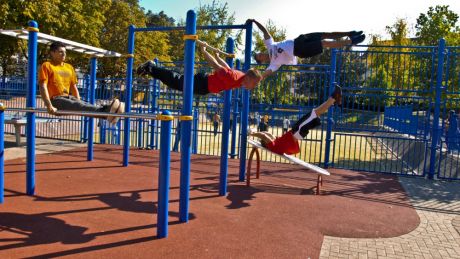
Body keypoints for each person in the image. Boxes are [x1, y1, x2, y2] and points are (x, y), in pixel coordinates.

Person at [38, 41, 124, 124]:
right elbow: (43, 86)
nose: (64, 54)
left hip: (68, 97)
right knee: (79, 105)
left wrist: (78, 100)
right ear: (52, 53)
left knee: (83, 104)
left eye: (65, 52)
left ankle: (107, 112)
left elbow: (73, 86)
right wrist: (49, 105)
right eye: (60, 52)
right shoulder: (47, 66)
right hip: (56, 100)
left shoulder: (69, 67)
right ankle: (106, 112)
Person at [248, 19, 365, 79]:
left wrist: (254, 21)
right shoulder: (273, 64)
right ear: (262, 61)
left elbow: (265, 31)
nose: (262, 54)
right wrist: (255, 79)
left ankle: (351, 33)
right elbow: (265, 74)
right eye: (260, 57)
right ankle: (352, 41)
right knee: (324, 43)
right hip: (299, 51)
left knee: (325, 34)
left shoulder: (270, 45)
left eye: (260, 53)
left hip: (299, 40)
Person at [136, 41, 263, 95]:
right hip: (203, 84)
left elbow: (226, 66)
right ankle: (150, 67)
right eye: (255, 83)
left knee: (177, 81)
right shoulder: (233, 78)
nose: (254, 87)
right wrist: (204, 51)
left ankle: (150, 68)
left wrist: (217, 55)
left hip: (205, 85)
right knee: (175, 81)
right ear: (249, 78)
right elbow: (217, 66)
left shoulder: (240, 76)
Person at [250, 85, 342, 155]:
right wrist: (251, 133)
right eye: (269, 139)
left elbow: (267, 134)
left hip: (295, 132)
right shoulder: (273, 146)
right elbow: (264, 136)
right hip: (296, 132)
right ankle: (333, 98)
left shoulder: (275, 143)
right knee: (315, 113)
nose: (272, 137)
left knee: (315, 113)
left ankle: (334, 99)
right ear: (267, 143)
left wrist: (260, 136)